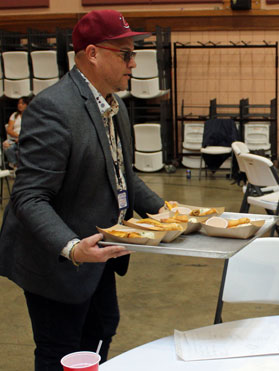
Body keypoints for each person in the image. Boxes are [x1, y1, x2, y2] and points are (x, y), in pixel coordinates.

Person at [0, 10, 169, 371]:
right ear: (92, 54)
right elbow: (29, 196)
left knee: (100, 332)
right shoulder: (53, 109)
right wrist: (73, 247)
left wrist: (167, 212)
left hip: (99, 252)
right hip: (59, 260)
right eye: (125, 53)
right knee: (61, 351)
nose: (134, 63)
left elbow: (123, 178)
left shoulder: (114, 104)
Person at [2, 96, 32, 168]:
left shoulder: (31, 116)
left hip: (25, 138)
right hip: (14, 138)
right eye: (19, 103)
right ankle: (15, 166)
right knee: (6, 146)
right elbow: (9, 129)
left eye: (23, 103)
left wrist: (21, 137)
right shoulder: (14, 115)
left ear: (27, 105)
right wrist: (18, 136)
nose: (20, 105)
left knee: (20, 149)